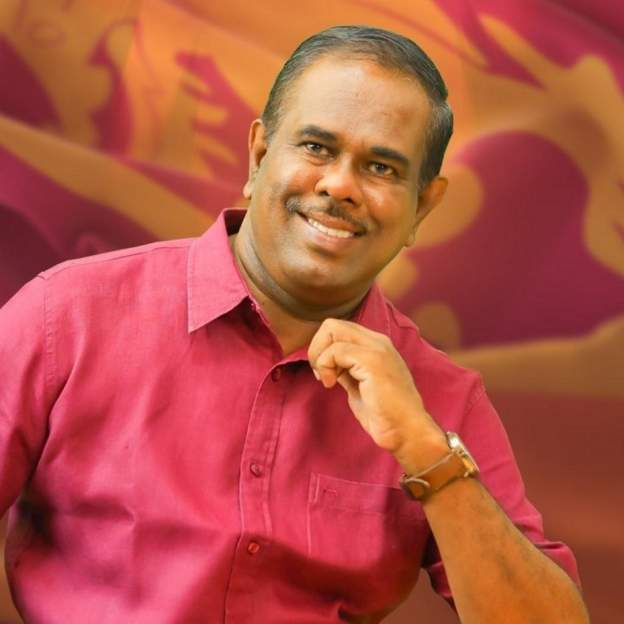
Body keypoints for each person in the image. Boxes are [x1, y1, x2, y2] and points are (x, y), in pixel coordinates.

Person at [0, 25, 589, 623]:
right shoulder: (68, 314)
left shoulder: (441, 401)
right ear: (259, 157)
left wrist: (426, 453)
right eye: (316, 147)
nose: (340, 185)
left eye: (381, 167)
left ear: (423, 205)